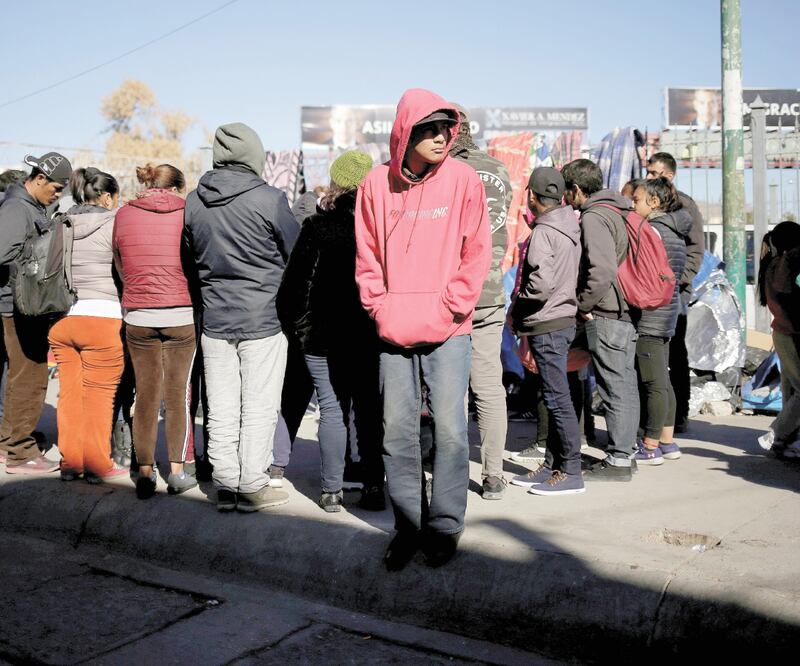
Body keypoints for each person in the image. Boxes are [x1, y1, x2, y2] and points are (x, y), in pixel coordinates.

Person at [355, 89, 491, 570]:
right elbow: (367, 255)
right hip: (393, 330)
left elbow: (477, 251)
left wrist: (452, 307)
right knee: (396, 432)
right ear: (404, 134)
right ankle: (408, 525)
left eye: (444, 129)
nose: (439, 137)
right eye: (428, 129)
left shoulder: (463, 180)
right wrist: (379, 308)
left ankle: (445, 525)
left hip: (450, 329)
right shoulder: (375, 185)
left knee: (452, 433)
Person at [184, 122, 299, 513]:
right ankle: (251, 485)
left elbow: (189, 260)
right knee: (259, 406)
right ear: (255, 155)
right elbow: (295, 255)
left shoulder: (193, 202)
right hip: (263, 319)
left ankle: (225, 485)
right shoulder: (270, 199)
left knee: (221, 406)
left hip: (215, 319)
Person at [278, 150, 385, 512]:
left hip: (323, 336)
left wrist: (301, 331)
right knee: (369, 410)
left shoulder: (317, 226)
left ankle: (331, 492)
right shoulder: (381, 228)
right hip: (370, 334)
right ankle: (373, 486)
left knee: (331, 410)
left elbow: (292, 289)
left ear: (336, 183)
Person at [114, 163, 198, 498]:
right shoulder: (188, 213)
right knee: (177, 397)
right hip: (181, 314)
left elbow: (119, 261)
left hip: (138, 316)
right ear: (177, 187)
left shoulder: (124, 214)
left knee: (146, 395)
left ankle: (145, 472)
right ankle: (177, 472)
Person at [47, 168, 127, 483]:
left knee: (68, 393)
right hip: (103, 319)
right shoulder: (114, 223)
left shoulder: (61, 222)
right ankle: (97, 465)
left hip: (63, 319)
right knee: (99, 396)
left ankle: (71, 463)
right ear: (107, 197)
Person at [449, 105, 512, 500]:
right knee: (489, 386)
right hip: (491, 291)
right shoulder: (499, 170)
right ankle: (493, 475)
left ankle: (448, 470)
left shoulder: (445, 173)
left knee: (448, 387)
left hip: (454, 292)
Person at [562, 158, 639, 481]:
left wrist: (583, 304)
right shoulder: (619, 210)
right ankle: (626, 451)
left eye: (568, 192)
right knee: (623, 382)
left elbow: (602, 269)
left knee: (614, 385)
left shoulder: (595, 217)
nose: (566, 199)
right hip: (622, 308)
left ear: (577, 189)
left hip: (606, 310)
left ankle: (619, 459)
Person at [509, 167, 584, 495]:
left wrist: (519, 308)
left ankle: (570, 471)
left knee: (557, 399)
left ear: (532, 197)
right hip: (562, 318)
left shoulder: (543, 232)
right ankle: (554, 465)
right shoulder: (568, 226)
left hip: (547, 321)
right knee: (556, 396)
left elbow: (539, 284)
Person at [0, 153, 72, 473]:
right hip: (16, 306)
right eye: (56, 188)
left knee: (21, 377)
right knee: (29, 378)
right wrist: (32, 259)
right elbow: (3, 252)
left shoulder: (29, 206)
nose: (58, 195)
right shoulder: (18, 209)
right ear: (39, 179)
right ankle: (20, 452)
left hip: (20, 305)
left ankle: (9, 442)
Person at [630, 178, 692, 464]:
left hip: (651, 316)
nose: (633, 205)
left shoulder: (653, 231)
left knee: (653, 382)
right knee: (663, 381)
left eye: (638, 200)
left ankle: (650, 445)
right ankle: (667, 441)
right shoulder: (675, 232)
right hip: (668, 313)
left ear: (654, 202)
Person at [645, 152, 705, 433]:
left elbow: (695, 250)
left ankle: (679, 414)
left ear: (668, 176)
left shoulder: (685, 206)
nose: (649, 178)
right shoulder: (648, 202)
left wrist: (679, 280)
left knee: (676, 354)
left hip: (676, 292)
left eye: (654, 174)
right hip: (651, 291)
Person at [756, 221, 800, 459]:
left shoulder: (773, 264)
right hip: (791, 335)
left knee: (791, 390)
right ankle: (777, 434)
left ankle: (783, 442)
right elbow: (787, 291)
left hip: (783, 334)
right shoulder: (784, 265)